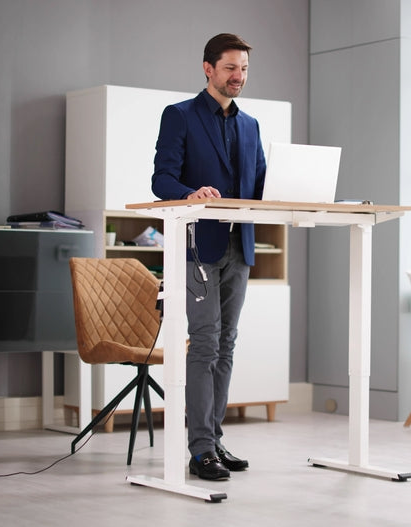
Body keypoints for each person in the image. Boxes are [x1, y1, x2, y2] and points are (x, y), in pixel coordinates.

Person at [151, 33, 266, 481]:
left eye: (244, 70)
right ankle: (199, 450)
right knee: (205, 343)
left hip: (241, 246)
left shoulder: (251, 125)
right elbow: (162, 178)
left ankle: (214, 440)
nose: (238, 77)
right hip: (199, 244)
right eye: (230, 69)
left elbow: (258, 186)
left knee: (227, 343)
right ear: (208, 68)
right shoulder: (179, 116)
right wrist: (189, 192)